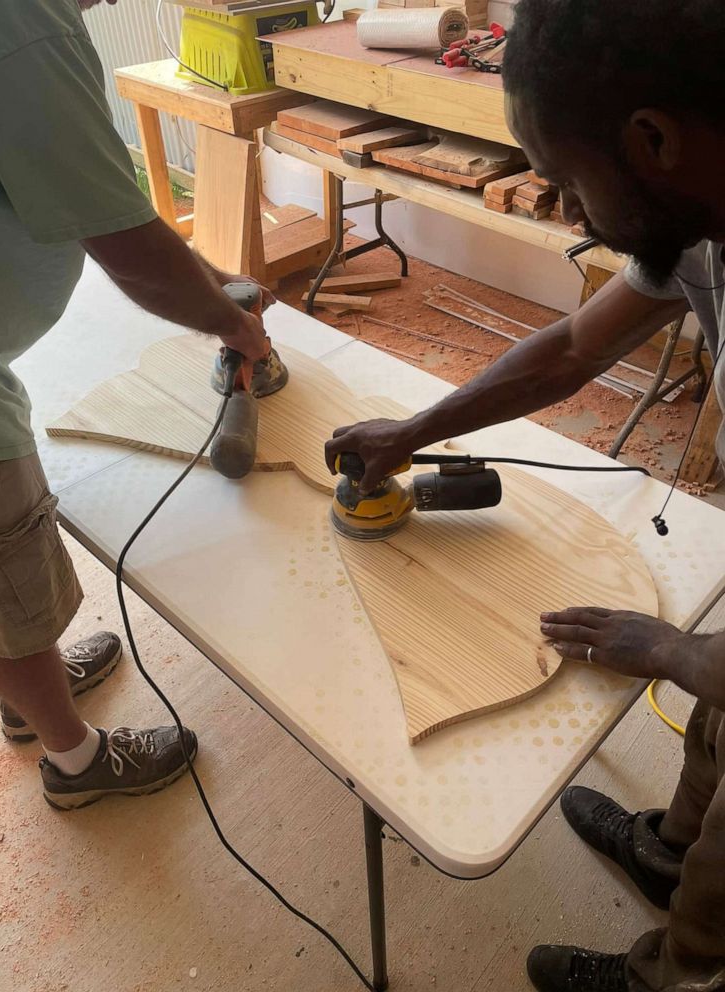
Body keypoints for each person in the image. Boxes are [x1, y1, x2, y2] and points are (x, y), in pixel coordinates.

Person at [325, 2, 725, 990]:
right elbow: (579, 346)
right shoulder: (702, 208)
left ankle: (673, 967)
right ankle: (667, 850)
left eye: (561, 179)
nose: (566, 212)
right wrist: (414, 432)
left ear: (652, 139)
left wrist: (678, 650)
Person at [0, 0, 275, 810]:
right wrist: (230, 324)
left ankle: (28, 689)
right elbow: (125, 246)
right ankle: (74, 761)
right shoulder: (17, 21)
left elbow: (93, 205)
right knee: (0, 558)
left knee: (0, 589)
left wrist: (212, 286)